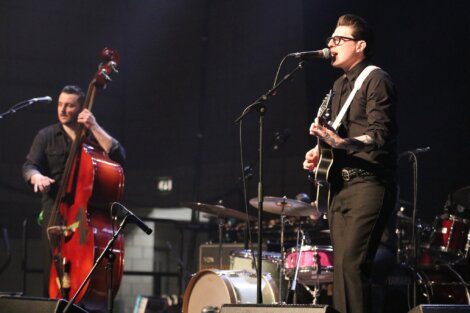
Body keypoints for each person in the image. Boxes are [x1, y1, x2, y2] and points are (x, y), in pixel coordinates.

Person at [303, 14, 398, 313]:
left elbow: (379, 133)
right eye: (330, 39)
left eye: (339, 39)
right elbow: (334, 135)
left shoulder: (376, 79)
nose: (331, 44)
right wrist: (318, 152)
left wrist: (343, 143)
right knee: (342, 270)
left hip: (369, 185)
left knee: (354, 266)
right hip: (339, 187)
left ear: (360, 45)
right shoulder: (336, 87)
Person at [22, 85, 125, 295]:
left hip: (83, 217)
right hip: (54, 212)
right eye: (60, 104)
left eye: (69, 106)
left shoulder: (93, 137)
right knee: (51, 272)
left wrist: (94, 126)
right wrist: (36, 176)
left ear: (81, 108)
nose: (62, 110)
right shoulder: (46, 135)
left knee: (84, 269)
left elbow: (119, 156)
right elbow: (29, 165)